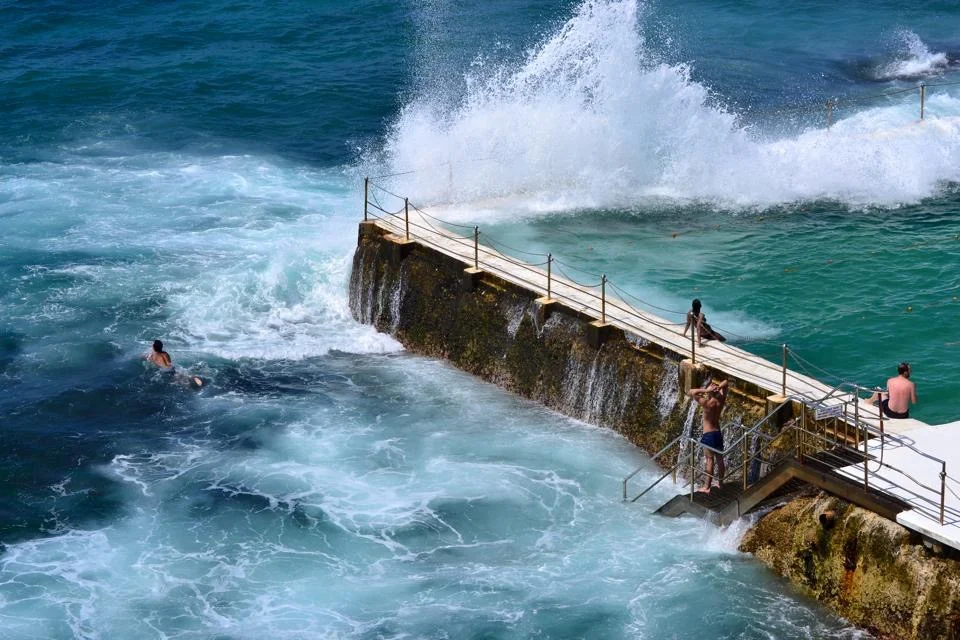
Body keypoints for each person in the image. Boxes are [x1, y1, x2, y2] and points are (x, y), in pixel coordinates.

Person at [687, 379, 728, 492]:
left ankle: (707, 487)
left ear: (710, 392)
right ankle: (720, 483)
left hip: (708, 435)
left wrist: (706, 389)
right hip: (717, 433)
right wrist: (719, 387)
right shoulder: (721, 401)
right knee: (720, 459)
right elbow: (725, 382)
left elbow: (691, 392)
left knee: (710, 460)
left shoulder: (706, 403)